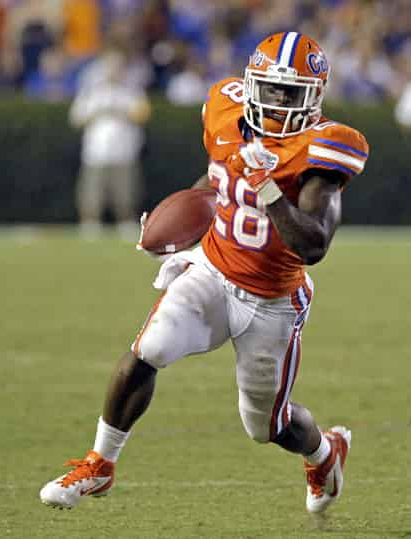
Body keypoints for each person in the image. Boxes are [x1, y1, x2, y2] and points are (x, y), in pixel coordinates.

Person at [40, 31, 368, 513]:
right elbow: (216, 180)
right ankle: (99, 465)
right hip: (213, 270)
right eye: (269, 88)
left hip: (272, 299)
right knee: (147, 350)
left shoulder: (322, 150)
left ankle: (324, 453)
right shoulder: (225, 109)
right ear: (250, 83)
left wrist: (269, 190)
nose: (276, 101)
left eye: (288, 92)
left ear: (313, 97)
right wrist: (180, 222)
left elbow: (313, 245)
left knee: (266, 427)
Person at [69, 50, 151, 239]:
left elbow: (143, 114)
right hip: (96, 152)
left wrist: (121, 111)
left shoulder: (131, 91)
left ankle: (126, 221)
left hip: (124, 151)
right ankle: (90, 223)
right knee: (92, 191)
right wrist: (98, 112)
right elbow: (76, 118)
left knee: (126, 190)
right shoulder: (92, 92)